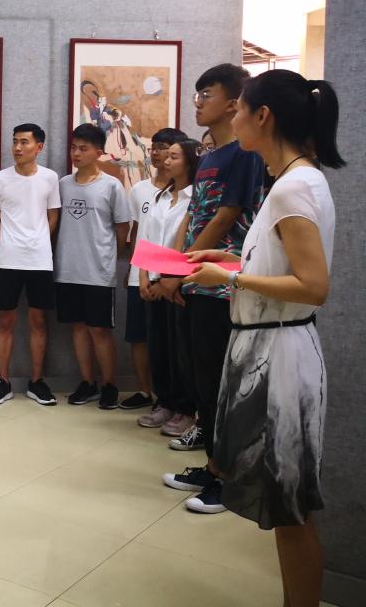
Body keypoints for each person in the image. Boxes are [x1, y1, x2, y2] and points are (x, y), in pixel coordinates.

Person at [183, 70, 342, 607]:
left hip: (281, 356)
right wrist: (228, 259)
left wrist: (231, 279)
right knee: (282, 505)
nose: (233, 118)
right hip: (267, 347)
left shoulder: (295, 186)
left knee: (290, 509)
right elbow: (278, 265)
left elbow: (313, 286)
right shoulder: (291, 181)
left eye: (239, 108)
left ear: (263, 116)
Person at [159, 64, 264, 512]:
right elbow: (194, 215)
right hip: (197, 280)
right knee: (201, 381)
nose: (198, 102)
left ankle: (227, 480)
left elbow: (226, 217)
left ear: (234, 102)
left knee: (221, 384)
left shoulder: (245, 154)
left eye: (207, 94)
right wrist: (175, 265)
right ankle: (213, 465)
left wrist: (182, 269)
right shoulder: (210, 157)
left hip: (223, 284)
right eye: (197, 94)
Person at [0, 123, 61, 406]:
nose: (17, 147)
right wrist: (9, 242)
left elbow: (53, 216)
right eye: (15, 141)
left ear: (38, 147)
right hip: (9, 260)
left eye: (24, 142)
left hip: (40, 260)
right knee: (6, 320)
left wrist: (37, 240)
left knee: (39, 321)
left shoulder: (50, 178)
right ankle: (2, 382)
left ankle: (37, 382)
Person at [54, 123, 130, 408]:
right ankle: (88, 383)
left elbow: (122, 228)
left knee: (99, 330)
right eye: (74, 148)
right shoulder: (63, 184)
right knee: (77, 328)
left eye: (83, 148)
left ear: (98, 152)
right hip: (67, 269)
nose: (76, 153)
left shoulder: (111, 186)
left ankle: (109, 384)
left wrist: (111, 258)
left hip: (98, 271)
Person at [121, 127, 187, 411]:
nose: (158, 153)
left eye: (165, 148)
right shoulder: (140, 190)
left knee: (170, 340)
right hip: (141, 273)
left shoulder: (187, 193)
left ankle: (172, 399)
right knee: (139, 336)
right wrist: (133, 268)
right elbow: (138, 232)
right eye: (155, 147)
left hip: (171, 277)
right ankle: (145, 392)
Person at [136, 139, 200, 434]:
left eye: (174, 156)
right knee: (158, 346)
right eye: (166, 156)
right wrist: (143, 277)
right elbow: (146, 238)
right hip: (154, 280)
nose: (166, 160)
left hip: (178, 284)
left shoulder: (195, 198)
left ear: (190, 161)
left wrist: (170, 280)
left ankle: (185, 408)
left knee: (180, 350)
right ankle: (164, 401)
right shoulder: (160, 197)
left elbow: (188, 244)